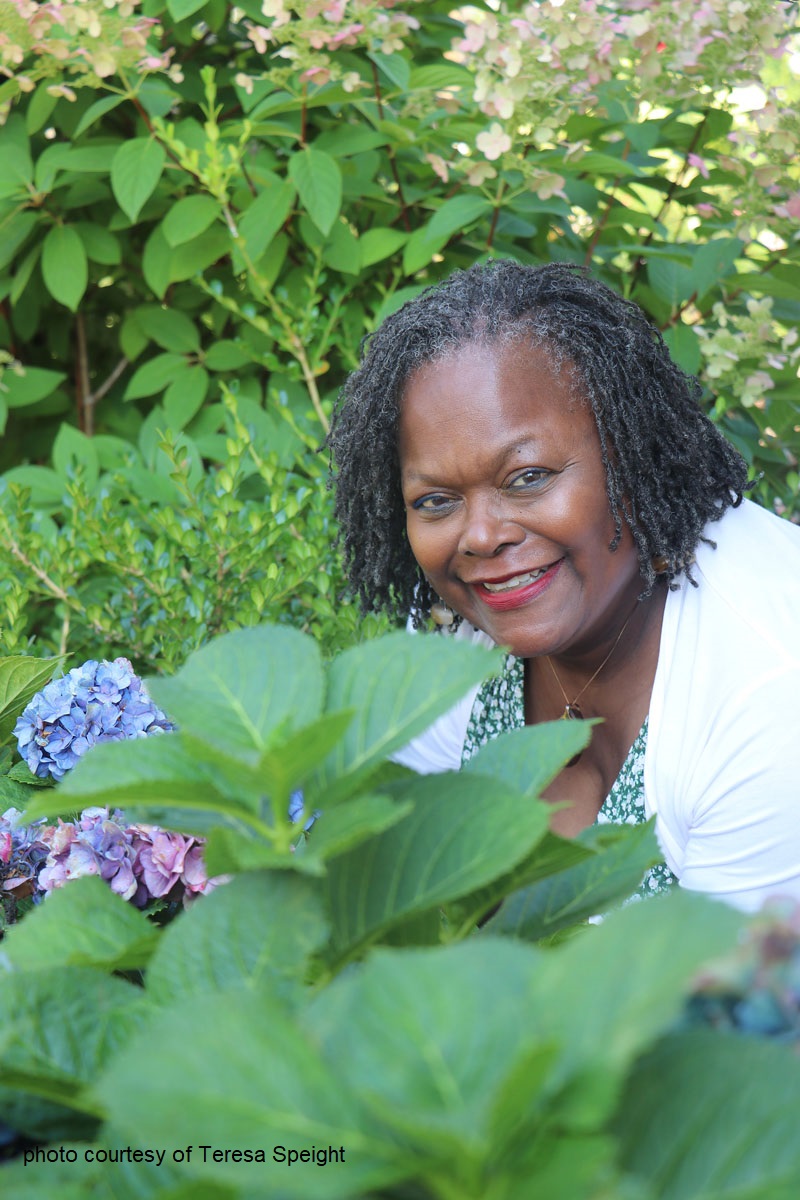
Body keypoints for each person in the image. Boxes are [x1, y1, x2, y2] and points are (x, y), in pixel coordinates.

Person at [327, 260, 800, 912]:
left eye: (527, 477)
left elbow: (737, 1003)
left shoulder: (769, 691)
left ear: (629, 456)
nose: (481, 536)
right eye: (436, 500)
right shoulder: (452, 644)